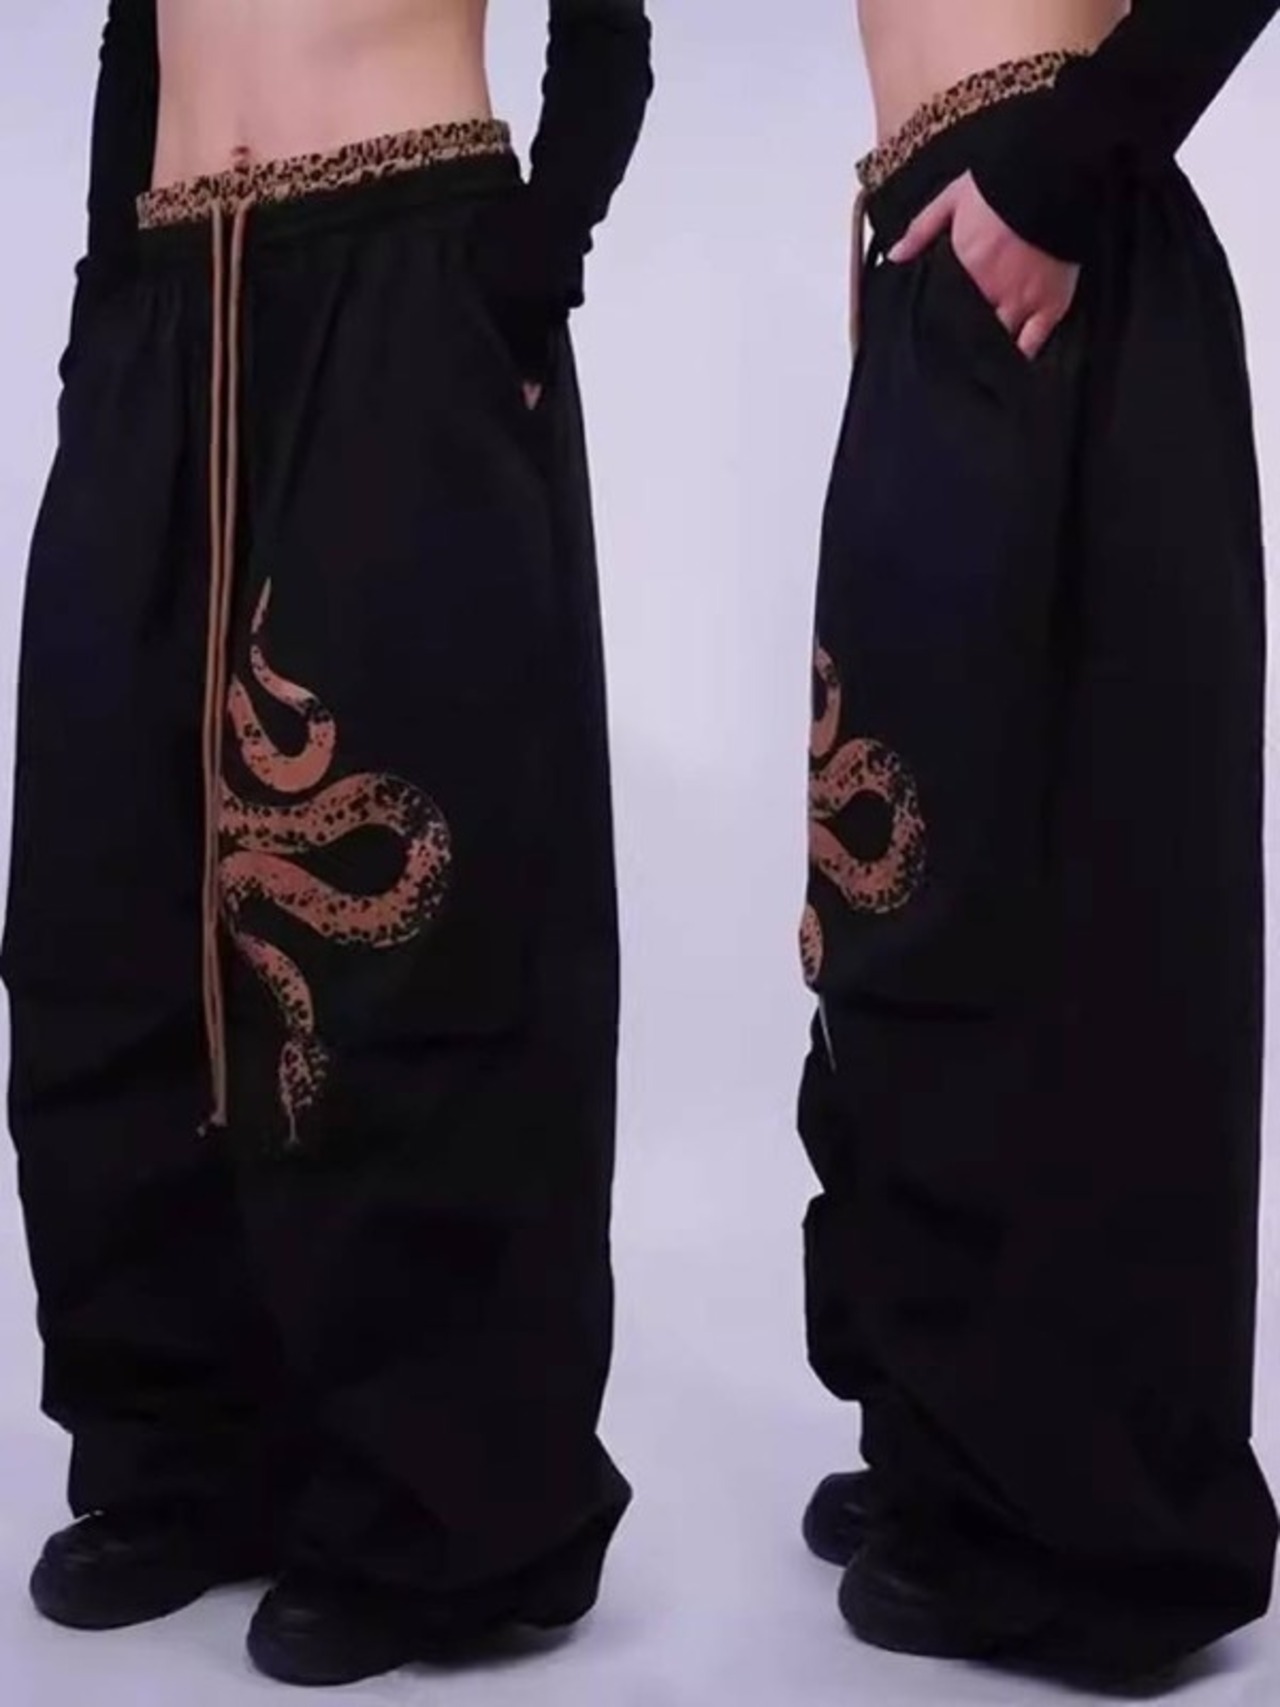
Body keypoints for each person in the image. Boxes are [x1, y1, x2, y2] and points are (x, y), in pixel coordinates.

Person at [1, 0, 651, 1686]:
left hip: (408, 270)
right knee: (106, 899)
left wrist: (532, 264)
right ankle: (181, 1451)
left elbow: (610, 27)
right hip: (164, 294)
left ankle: (435, 1508)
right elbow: (136, 33)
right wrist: (100, 303)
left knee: (393, 931)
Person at [797, 0, 1278, 1684]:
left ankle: (1094, 1534)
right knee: (917, 884)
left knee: (1081, 893)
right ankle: (966, 1449)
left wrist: (1063, 170)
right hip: (952, 240)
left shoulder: (1058, 193)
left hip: (1055, 234)